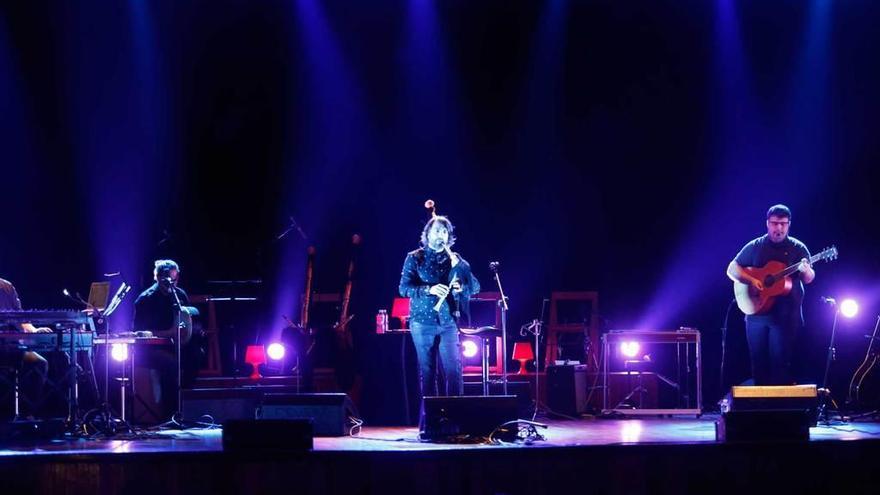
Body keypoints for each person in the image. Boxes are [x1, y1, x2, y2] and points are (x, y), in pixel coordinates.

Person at [399, 214, 480, 428]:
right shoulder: (415, 257)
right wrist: (429, 289)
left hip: (448, 322)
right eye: (437, 231)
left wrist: (461, 282)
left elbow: (475, 287)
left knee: (454, 370)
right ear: (427, 235)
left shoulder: (456, 260)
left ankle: (455, 421)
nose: (441, 235)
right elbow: (403, 288)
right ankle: (432, 423)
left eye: (444, 231)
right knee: (428, 371)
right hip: (422, 322)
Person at [726, 204, 815, 385]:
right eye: (775, 223)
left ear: (789, 224)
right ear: (767, 223)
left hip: (785, 318)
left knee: (779, 364)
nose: (779, 228)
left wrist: (806, 270)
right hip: (756, 314)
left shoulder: (798, 248)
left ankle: (779, 410)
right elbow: (731, 269)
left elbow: (809, 278)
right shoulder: (756, 246)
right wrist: (752, 281)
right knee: (758, 365)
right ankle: (760, 408)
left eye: (783, 224)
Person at [132, 260, 201, 422]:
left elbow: (187, 320)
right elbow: (139, 333)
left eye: (174, 280)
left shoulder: (180, 295)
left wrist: (191, 331)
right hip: (150, 350)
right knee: (171, 363)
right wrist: (168, 333)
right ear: (157, 278)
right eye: (166, 281)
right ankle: (169, 415)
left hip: (175, 345)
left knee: (197, 355)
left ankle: (182, 403)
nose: (170, 284)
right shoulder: (145, 300)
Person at [0, 278, 51, 417]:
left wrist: (35, 330)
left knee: (39, 363)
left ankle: (27, 415)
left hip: (8, 347)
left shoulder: (6, 287)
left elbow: (20, 319)